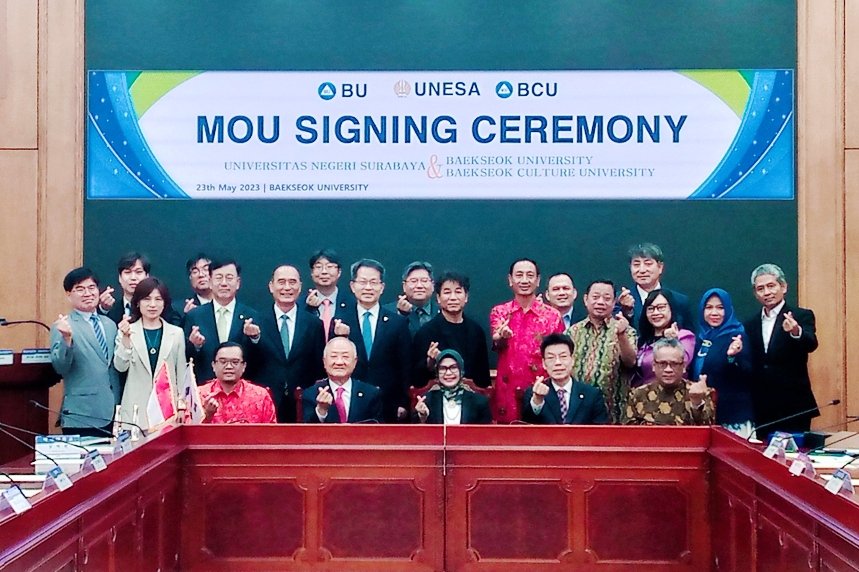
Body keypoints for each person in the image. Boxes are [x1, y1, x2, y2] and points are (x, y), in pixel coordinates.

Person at [331, 259, 411, 422]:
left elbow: (405, 366)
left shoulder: (397, 322)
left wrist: (403, 402)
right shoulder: (341, 321)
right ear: (353, 286)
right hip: (351, 401)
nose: (368, 287)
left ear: (381, 288)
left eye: (373, 282)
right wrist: (341, 337)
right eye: (363, 282)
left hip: (388, 402)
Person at [743, 264, 819, 435]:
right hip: (762, 404)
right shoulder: (750, 324)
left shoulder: (801, 315)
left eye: (771, 286)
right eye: (760, 289)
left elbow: (811, 344)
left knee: (793, 456)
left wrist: (795, 331)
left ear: (783, 287)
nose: (767, 292)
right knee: (765, 457)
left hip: (793, 403)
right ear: (756, 294)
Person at [245, 265, 326, 422]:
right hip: (266, 399)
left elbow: (319, 368)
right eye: (281, 282)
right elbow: (248, 364)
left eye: (292, 282)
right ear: (271, 286)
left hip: (302, 400)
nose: (287, 287)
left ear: (300, 287)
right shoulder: (255, 321)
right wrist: (253, 339)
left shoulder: (314, 324)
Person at [489, 259, 565, 423]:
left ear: (537, 280)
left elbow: (560, 352)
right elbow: (497, 342)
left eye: (530, 275)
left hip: (541, 390)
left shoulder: (552, 316)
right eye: (519, 275)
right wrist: (501, 337)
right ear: (510, 280)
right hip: (507, 394)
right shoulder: (500, 312)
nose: (524, 280)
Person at [49, 267, 121, 436]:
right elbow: (60, 367)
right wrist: (67, 340)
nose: (87, 293)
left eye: (91, 288)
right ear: (69, 294)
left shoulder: (109, 325)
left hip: (113, 413)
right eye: (79, 289)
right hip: (81, 414)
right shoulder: (63, 326)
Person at [113, 277, 186, 430]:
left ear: (165, 303)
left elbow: (181, 374)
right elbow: (120, 366)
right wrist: (125, 339)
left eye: (158, 299)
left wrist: (181, 406)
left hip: (166, 411)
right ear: (138, 302)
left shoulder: (176, 333)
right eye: (147, 299)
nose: (152, 305)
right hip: (135, 412)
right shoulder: (127, 330)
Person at [567, 280, 637, 424]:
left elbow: (631, 362)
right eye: (595, 297)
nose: (600, 302)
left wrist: (621, 336)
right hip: (577, 413)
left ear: (614, 302)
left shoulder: (626, 330)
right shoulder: (572, 332)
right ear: (586, 299)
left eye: (606, 298)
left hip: (613, 411)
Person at [411, 271, 490, 389]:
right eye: (447, 292)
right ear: (438, 298)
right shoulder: (426, 332)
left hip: (471, 401)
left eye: (458, 292)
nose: (453, 297)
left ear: (466, 297)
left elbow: (483, 380)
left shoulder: (476, 331)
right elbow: (417, 381)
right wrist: (430, 363)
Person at [183, 258, 257, 384]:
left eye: (229, 278)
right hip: (204, 389)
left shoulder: (251, 316)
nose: (224, 283)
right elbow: (184, 358)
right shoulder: (194, 316)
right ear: (210, 282)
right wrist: (194, 345)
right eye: (218, 278)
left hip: (241, 392)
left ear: (238, 283)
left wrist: (254, 338)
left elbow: (259, 358)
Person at [693, 288, 754, 437]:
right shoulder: (700, 338)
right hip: (704, 414)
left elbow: (746, 372)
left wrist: (732, 357)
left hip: (732, 417)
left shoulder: (736, 336)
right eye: (709, 307)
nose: (714, 313)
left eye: (720, 308)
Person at [625, 338, 715, 426]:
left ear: (683, 366)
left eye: (674, 364)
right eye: (662, 364)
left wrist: (696, 404)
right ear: (653, 365)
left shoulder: (701, 393)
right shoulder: (638, 395)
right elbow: (628, 433)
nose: (668, 369)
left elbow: (709, 432)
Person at [522, 333, 609, 425]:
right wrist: (538, 400)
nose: (558, 363)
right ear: (544, 363)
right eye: (551, 358)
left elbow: (601, 432)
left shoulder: (592, 395)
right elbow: (527, 427)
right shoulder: (533, 394)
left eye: (563, 356)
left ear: (572, 360)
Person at [616, 243, 695, 332]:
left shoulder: (679, 300)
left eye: (648, 264)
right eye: (636, 264)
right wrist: (627, 312)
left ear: (660, 267)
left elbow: (690, 337)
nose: (642, 270)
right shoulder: (619, 300)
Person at [303, 337, 383, 423]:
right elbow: (306, 432)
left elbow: (378, 430)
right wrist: (321, 410)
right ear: (324, 362)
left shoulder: (371, 394)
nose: (339, 362)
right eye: (334, 356)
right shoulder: (310, 394)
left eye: (345, 357)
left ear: (355, 362)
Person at [198, 342, 276, 423]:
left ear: (244, 366)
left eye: (235, 362)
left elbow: (272, 432)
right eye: (223, 362)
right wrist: (207, 415)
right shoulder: (199, 395)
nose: (229, 367)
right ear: (213, 365)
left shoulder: (261, 396)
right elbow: (188, 432)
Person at [99, 252, 182, 326]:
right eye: (127, 272)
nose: (133, 278)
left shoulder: (162, 308)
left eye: (138, 272)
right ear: (120, 278)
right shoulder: (111, 310)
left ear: (147, 276)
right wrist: (104, 310)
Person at [633, 290, 696, 387]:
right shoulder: (642, 340)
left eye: (661, 308)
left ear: (671, 309)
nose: (656, 312)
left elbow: (683, 363)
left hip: (672, 396)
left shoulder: (684, 336)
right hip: (642, 397)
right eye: (651, 309)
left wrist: (673, 342)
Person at [414, 349, 492, 424]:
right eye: (442, 368)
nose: (448, 373)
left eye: (453, 367)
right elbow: (414, 433)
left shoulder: (480, 402)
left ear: (461, 371)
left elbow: (486, 434)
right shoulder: (426, 400)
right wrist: (422, 417)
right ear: (437, 373)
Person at [303, 249, 356, 339]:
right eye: (319, 267)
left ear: (339, 272)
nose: (324, 272)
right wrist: (310, 310)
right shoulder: (301, 305)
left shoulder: (352, 304)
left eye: (329, 266)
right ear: (312, 272)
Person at [383, 261, 440, 336]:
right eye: (413, 281)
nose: (419, 286)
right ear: (404, 286)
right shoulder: (387, 312)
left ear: (432, 285)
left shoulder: (443, 311)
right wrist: (401, 315)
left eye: (424, 281)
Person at [172, 253, 213, 320]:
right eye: (195, 271)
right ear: (190, 277)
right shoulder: (178, 309)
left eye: (206, 269)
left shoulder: (230, 305)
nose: (201, 275)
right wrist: (188, 318)